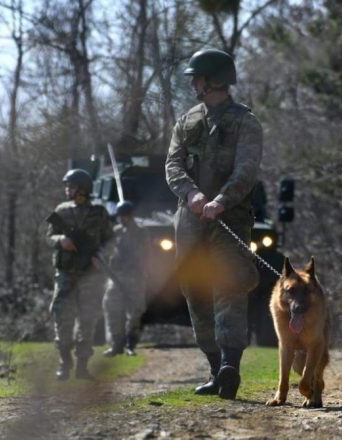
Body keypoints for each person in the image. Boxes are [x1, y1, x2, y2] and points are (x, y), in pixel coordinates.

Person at [165, 48, 262, 400]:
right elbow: (172, 164)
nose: (193, 82)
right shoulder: (187, 120)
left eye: (197, 77)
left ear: (213, 80)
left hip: (230, 219)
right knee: (195, 290)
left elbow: (247, 170)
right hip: (190, 221)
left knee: (229, 287)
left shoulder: (245, 121)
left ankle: (230, 367)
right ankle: (213, 369)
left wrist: (222, 200)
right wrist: (191, 194)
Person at [46, 169, 113, 380]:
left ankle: (82, 366)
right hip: (65, 274)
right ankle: (64, 363)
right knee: (62, 320)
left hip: (91, 275)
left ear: (83, 189)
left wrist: (101, 256)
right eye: (67, 186)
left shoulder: (99, 213)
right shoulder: (61, 211)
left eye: (72, 186)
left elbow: (110, 241)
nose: (68, 190)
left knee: (88, 321)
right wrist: (61, 241)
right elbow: (49, 237)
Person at [102, 201, 150, 357]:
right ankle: (116, 344)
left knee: (135, 312)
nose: (123, 219)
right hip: (116, 277)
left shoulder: (141, 232)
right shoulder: (115, 232)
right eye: (120, 216)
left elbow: (145, 252)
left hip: (135, 277)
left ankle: (131, 343)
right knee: (111, 307)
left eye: (125, 216)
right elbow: (107, 249)